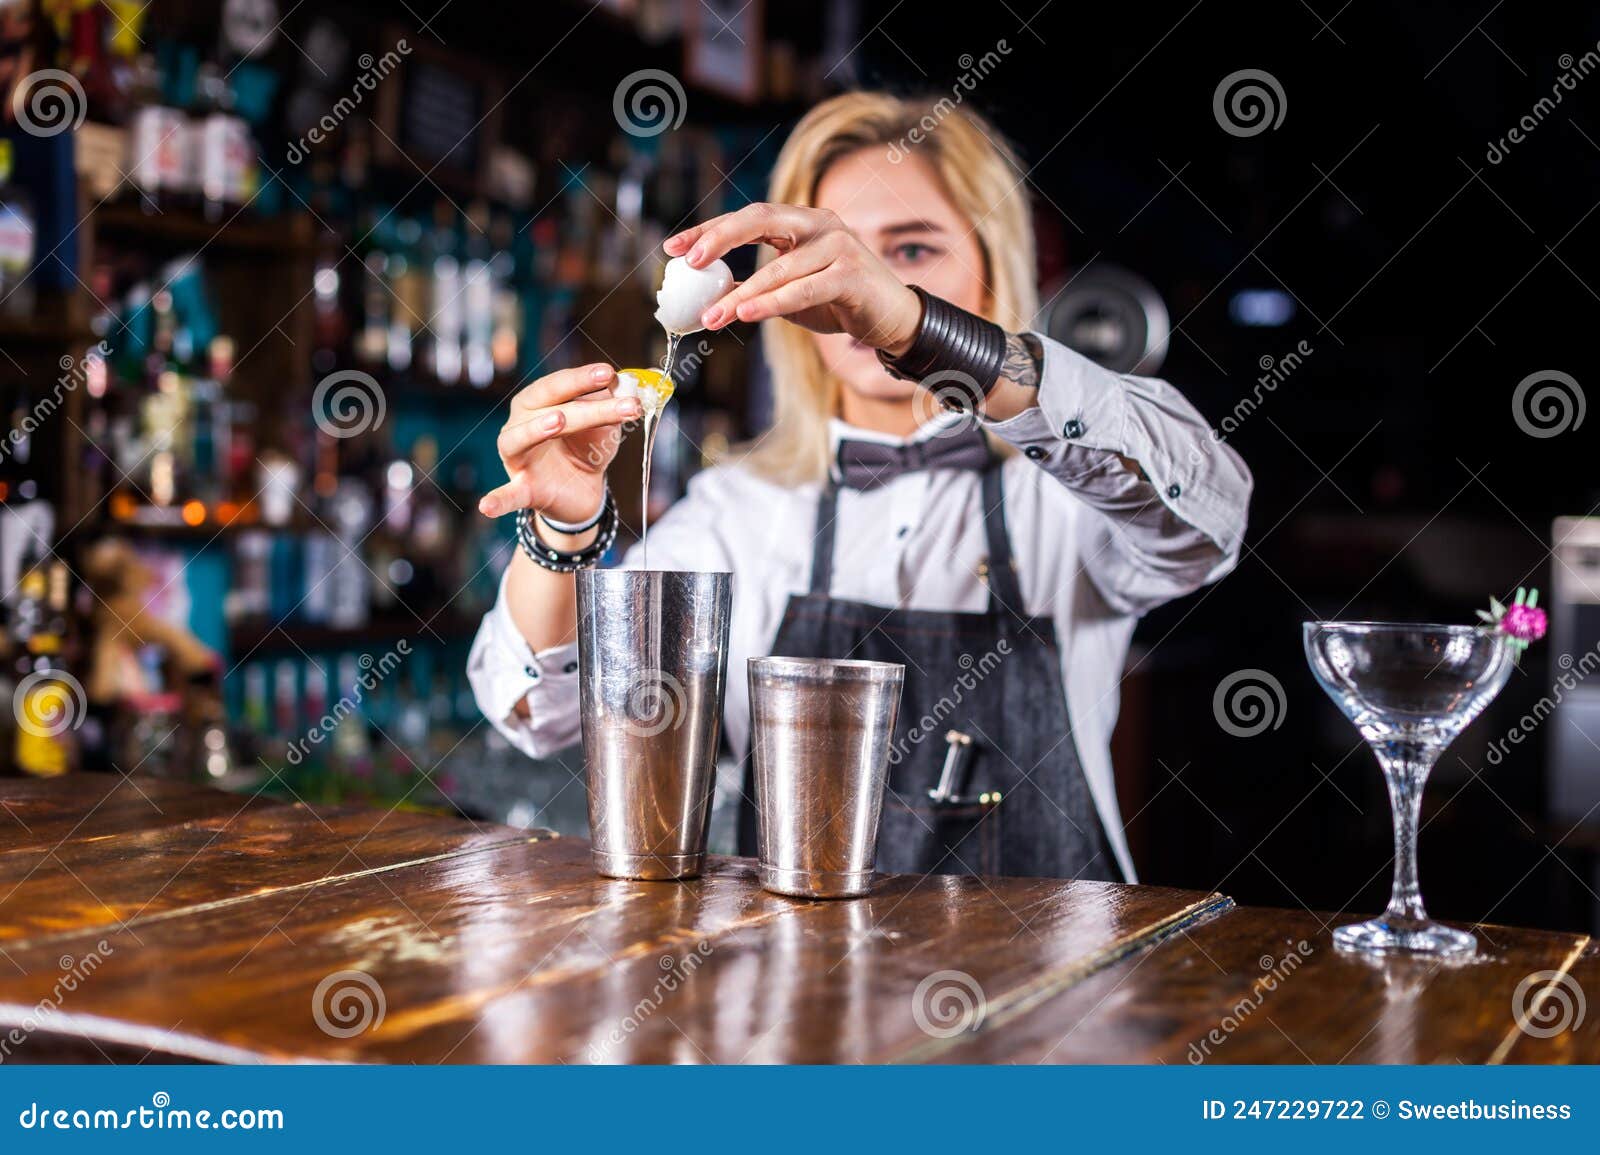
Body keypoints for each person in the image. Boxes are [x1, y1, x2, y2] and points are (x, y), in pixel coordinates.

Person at [468, 92, 1252, 883]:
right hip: (786, 990)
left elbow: (1211, 510)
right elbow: (542, 712)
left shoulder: (1068, 495)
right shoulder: (739, 514)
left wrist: (919, 332)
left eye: (909, 252)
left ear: (991, 272)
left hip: (1052, 993)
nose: (858, 283)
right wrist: (562, 529)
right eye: (833, 252)